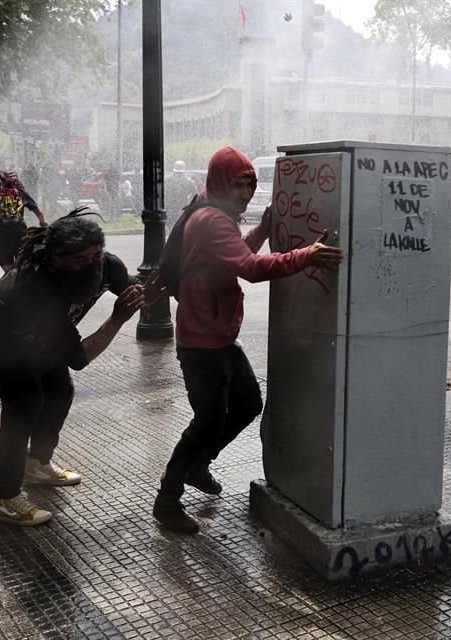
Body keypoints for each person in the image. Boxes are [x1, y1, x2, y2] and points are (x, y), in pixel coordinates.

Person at [151, 145, 344, 535]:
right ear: (222, 182)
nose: (246, 193)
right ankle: (167, 498)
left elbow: (235, 255)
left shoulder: (210, 209)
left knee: (247, 403)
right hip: (203, 340)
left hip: (215, 333)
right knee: (207, 421)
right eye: (239, 185)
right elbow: (251, 268)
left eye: (251, 185)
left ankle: (198, 465)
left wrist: (263, 230)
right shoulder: (213, 220)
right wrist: (306, 255)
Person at [0, 211, 151, 526]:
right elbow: (78, 358)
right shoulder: (37, 286)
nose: (92, 264)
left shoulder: (109, 265)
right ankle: (4, 497)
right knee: (24, 402)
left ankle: (36, 464)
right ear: (56, 260)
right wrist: (118, 318)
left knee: (59, 391)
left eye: (96, 255)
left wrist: (150, 291)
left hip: (40, 332)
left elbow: (132, 288)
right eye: (80, 260)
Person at [0, 171, 48, 271]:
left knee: (5, 260)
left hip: (1, 229)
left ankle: (11, 275)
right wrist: (43, 223)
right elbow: (38, 212)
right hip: (18, 229)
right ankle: (19, 276)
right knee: (21, 257)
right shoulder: (20, 192)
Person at [165, 160, 197, 228]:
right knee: (180, 226)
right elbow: (195, 195)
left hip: (172, 207)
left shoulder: (167, 181)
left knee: (171, 226)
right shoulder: (189, 181)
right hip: (181, 207)